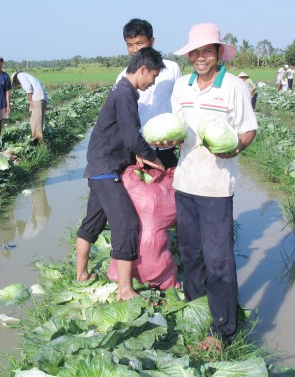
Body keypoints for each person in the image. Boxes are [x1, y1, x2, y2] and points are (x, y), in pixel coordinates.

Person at [171, 23, 258, 350]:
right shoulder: (182, 86)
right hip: (185, 183)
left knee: (219, 261)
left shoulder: (233, 87)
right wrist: (167, 141)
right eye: (195, 52)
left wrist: (234, 147)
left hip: (216, 188)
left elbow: (248, 130)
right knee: (191, 257)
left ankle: (223, 331)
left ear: (219, 53)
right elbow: (177, 129)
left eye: (207, 50)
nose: (200, 57)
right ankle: (198, 317)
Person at [76, 47, 166, 301]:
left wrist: (136, 152)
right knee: (127, 223)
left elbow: (124, 134)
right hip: (106, 167)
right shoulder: (126, 93)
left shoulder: (121, 89)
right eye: (154, 76)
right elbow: (131, 135)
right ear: (143, 69)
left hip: (99, 164)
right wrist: (151, 156)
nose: (153, 82)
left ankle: (81, 274)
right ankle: (125, 290)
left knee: (92, 222)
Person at [116, 18, 182, 169]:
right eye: (130, 45)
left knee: (169, 187)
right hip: (140, 149)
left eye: (140, 43)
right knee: (142, 190)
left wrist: (181, 138)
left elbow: (181, 103)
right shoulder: (123, 77)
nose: (135, 50)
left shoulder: (171, 69)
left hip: (168, 144)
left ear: (152, 42)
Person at [11, 71, 49, 143]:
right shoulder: (27, 75)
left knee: (34, 121)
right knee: (39, 119)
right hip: (41, 97)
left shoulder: (20, 75)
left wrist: (31, 102)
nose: (17, 83)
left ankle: (37, 141)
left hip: (37, 97)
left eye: (16, 82)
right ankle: (39, 139)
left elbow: (28, 88)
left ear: (15, 78)